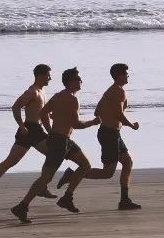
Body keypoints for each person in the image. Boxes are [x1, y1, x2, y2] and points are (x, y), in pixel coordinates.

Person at [10, 67, 99, 224]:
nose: (81, 82)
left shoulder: (58, 96)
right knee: (46, 177)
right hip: (60, 142)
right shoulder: (73, 99)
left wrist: (50, 131)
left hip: (63, 140)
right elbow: (76, 124)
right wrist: (93, 122)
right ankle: (22, 206)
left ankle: (67, 198)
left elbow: (43, 113)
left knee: (85, 165)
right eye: (78, 79)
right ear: (71, 82)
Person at [59, 62, 140, 209]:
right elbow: (118, 113)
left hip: (112, 133)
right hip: (109, 134)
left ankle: (124, 200)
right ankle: (72, 176)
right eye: (126, 73)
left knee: (127, 162)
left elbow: (98, 111)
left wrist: (112, 117)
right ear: (120, 75)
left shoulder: (112, 91)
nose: (128, 75)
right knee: (107, 172)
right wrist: (131, 125)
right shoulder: (118, 91)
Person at [0, 64, 61, 206]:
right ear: (40, 76)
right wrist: (21, 125)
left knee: (11, 161)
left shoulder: (42, 91)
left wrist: (51, 122)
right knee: (53, 153)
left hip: (33, 130)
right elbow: (16, 106)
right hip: (31, 129)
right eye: (48, 75)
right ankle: (42, 187)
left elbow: (40, 113)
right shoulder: (32, 92)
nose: (50, 78)